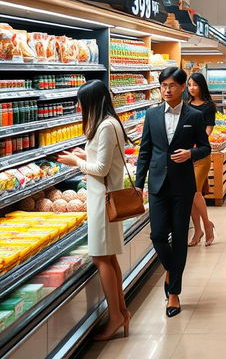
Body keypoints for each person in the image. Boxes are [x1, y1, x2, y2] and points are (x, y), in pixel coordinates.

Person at [56, 80, 131, 341]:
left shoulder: (106, 126)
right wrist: (85, 154)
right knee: (109, 258)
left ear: (92, 102)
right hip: (105, 198)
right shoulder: (109, 122)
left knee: (101, 258)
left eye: (81, 102)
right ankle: (121, 312)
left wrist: (76, 161)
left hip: (103, 202)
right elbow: (103, 159)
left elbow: (101, 170)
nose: (79, 106)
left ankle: (115, 317)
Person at [134, 67, 211, 318]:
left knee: (179, 237)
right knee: (157, 236)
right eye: (163, 85)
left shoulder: (195, 115)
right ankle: (172, 270)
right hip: (156, 184)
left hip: (182, 185)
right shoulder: (152, 114)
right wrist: (138, 183)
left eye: (172, 86)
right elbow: (145, 151)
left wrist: (191, 153)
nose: (167, 90)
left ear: (182, 87)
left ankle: (174, 293)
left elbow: (206, 148)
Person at [186, 72, 216, 248]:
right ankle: (198, 230)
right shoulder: (185, 105)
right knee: (190, 194)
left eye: (195, 85)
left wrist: (197, 143)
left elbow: (209, 128)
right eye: (189, 85)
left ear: (202, 86)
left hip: (201, 154)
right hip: (186, 155)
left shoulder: (208, 106)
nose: (192, 88)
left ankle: (207, 225)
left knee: (195, 192)